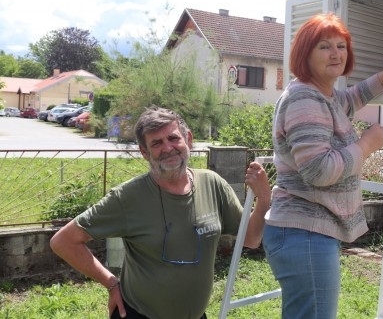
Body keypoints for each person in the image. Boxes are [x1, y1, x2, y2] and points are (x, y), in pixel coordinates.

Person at [263, 12, 383, 318]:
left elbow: (351, 98)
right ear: (305, 54)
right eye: (324, 47)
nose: (336, 54)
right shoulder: (304, 99)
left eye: (341, 46)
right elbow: (318, 170)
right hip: (304, 234)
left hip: (305, 233)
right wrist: (366, 146)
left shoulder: (324, 96)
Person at [50, 106, 271, 319]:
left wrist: (263, 199)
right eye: (156, 143)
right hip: (138, 314)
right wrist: (110, 283)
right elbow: (63, 241)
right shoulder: (128, 197)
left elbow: (250, 239)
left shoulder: (212, 184)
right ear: (144, 152)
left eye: (173, 138)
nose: (167, 148)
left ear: (188, 139)